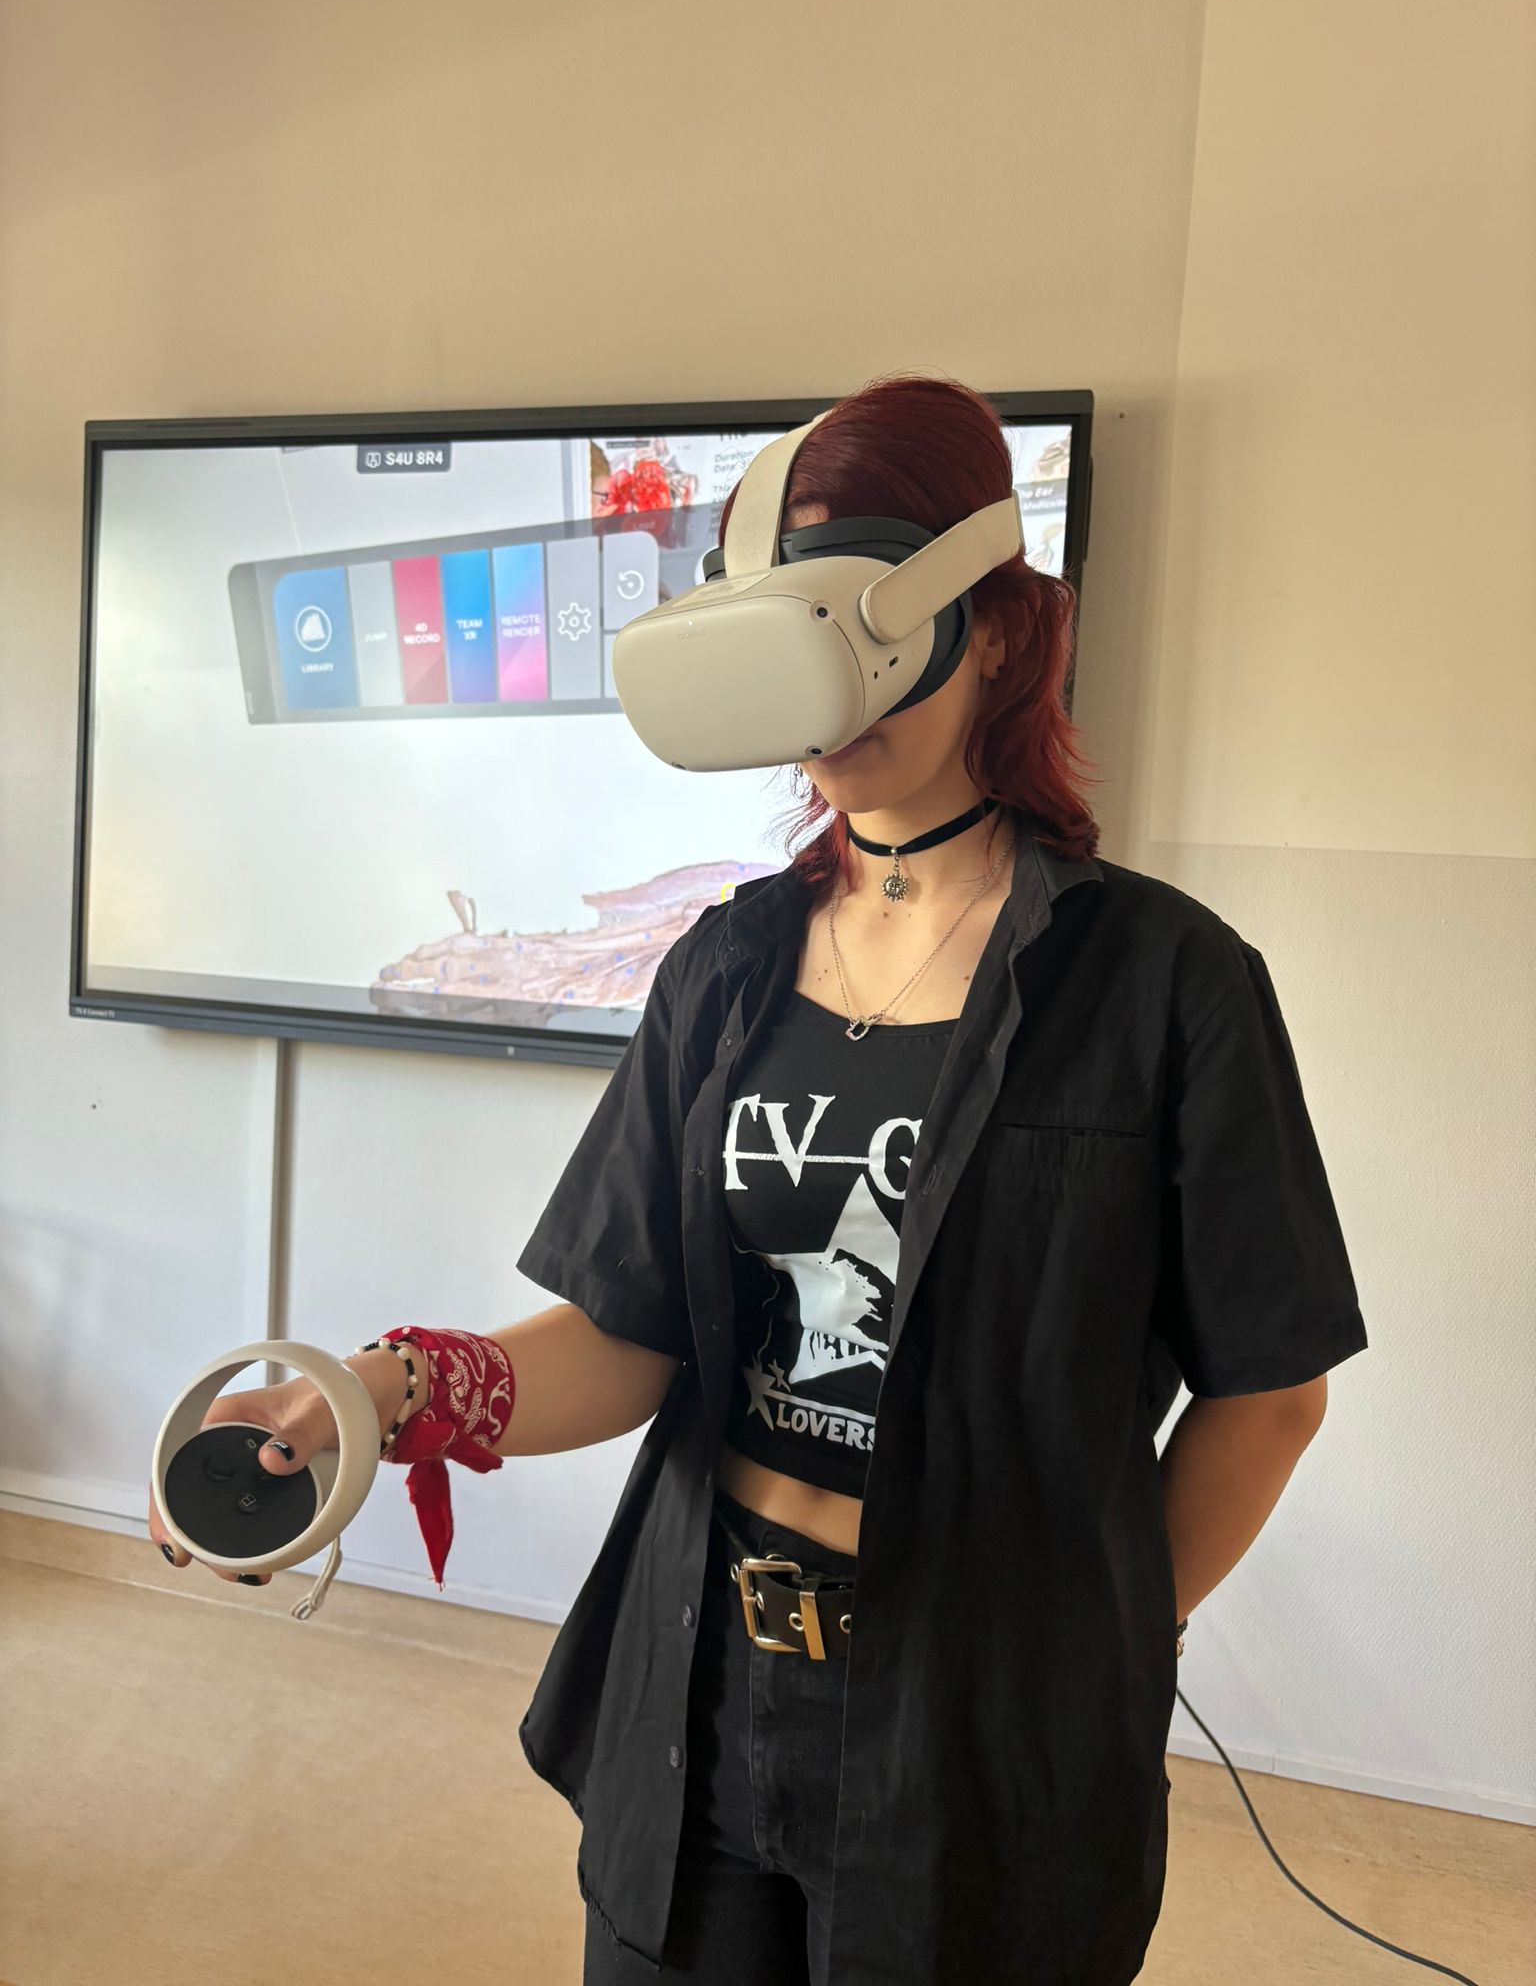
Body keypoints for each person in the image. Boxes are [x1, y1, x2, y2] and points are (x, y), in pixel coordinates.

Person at [149, 372, 1369, 1986]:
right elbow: (631, 1335)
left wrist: (1103, 1639)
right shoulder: (725, 967)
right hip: (704, 1692)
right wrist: (385, 1391)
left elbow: (1270, 1393)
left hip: (980, 1736)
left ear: (1000, 633)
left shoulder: (1166, 985)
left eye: (862, 621)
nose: (831, 691)